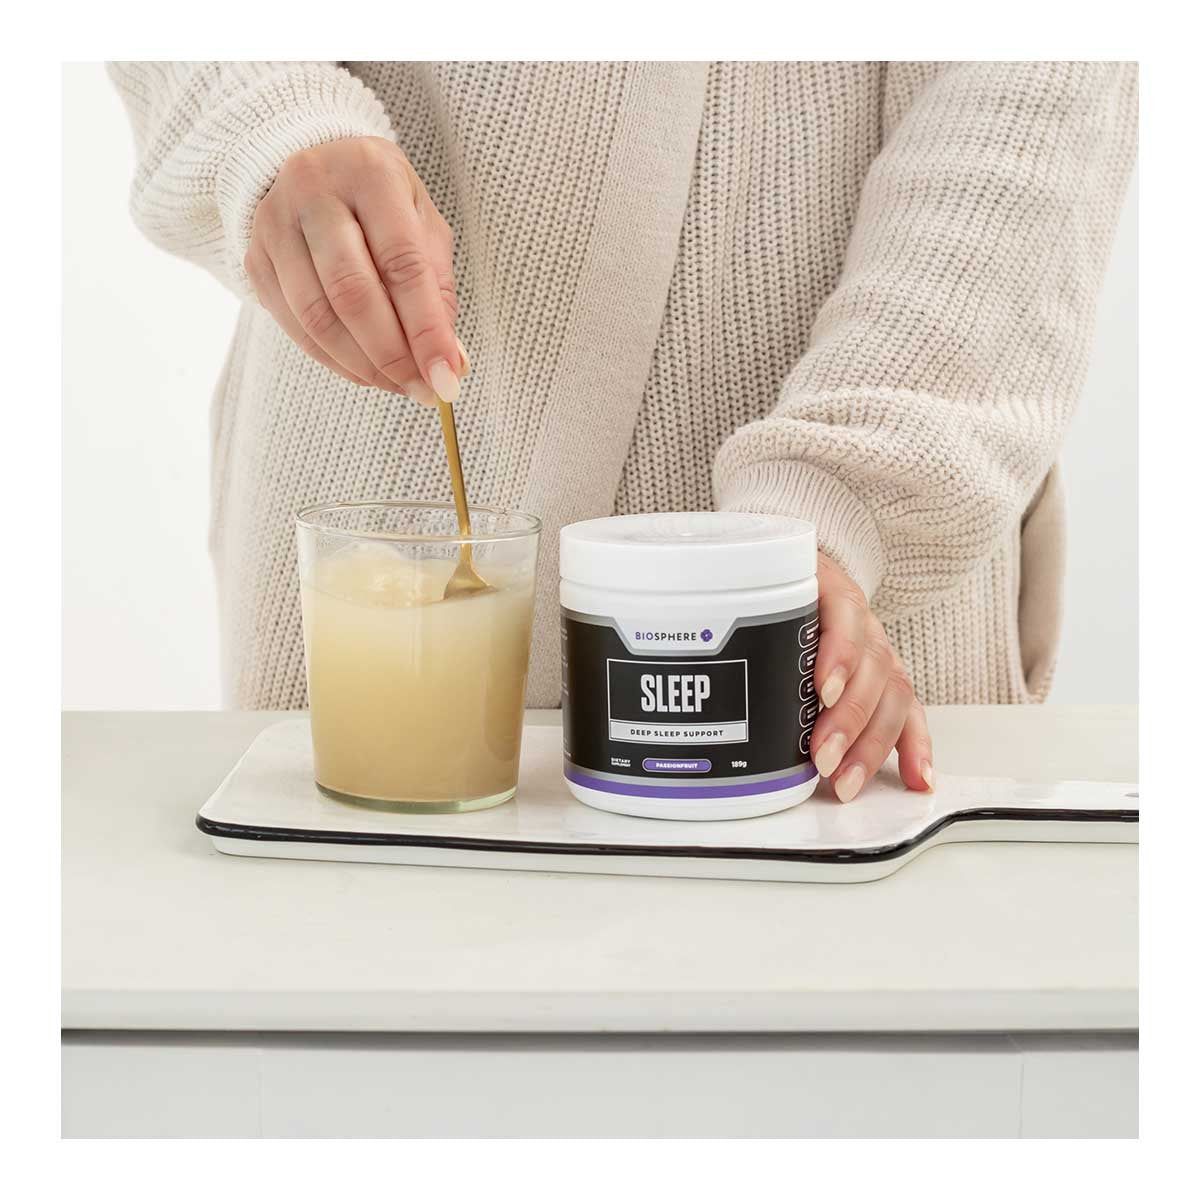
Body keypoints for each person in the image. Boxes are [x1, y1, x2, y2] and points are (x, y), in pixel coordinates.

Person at [109, 61, 1137, 803]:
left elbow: (1028, 110)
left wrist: (833, 508)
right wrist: (264, 117)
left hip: (850, 633)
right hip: (372, 484)